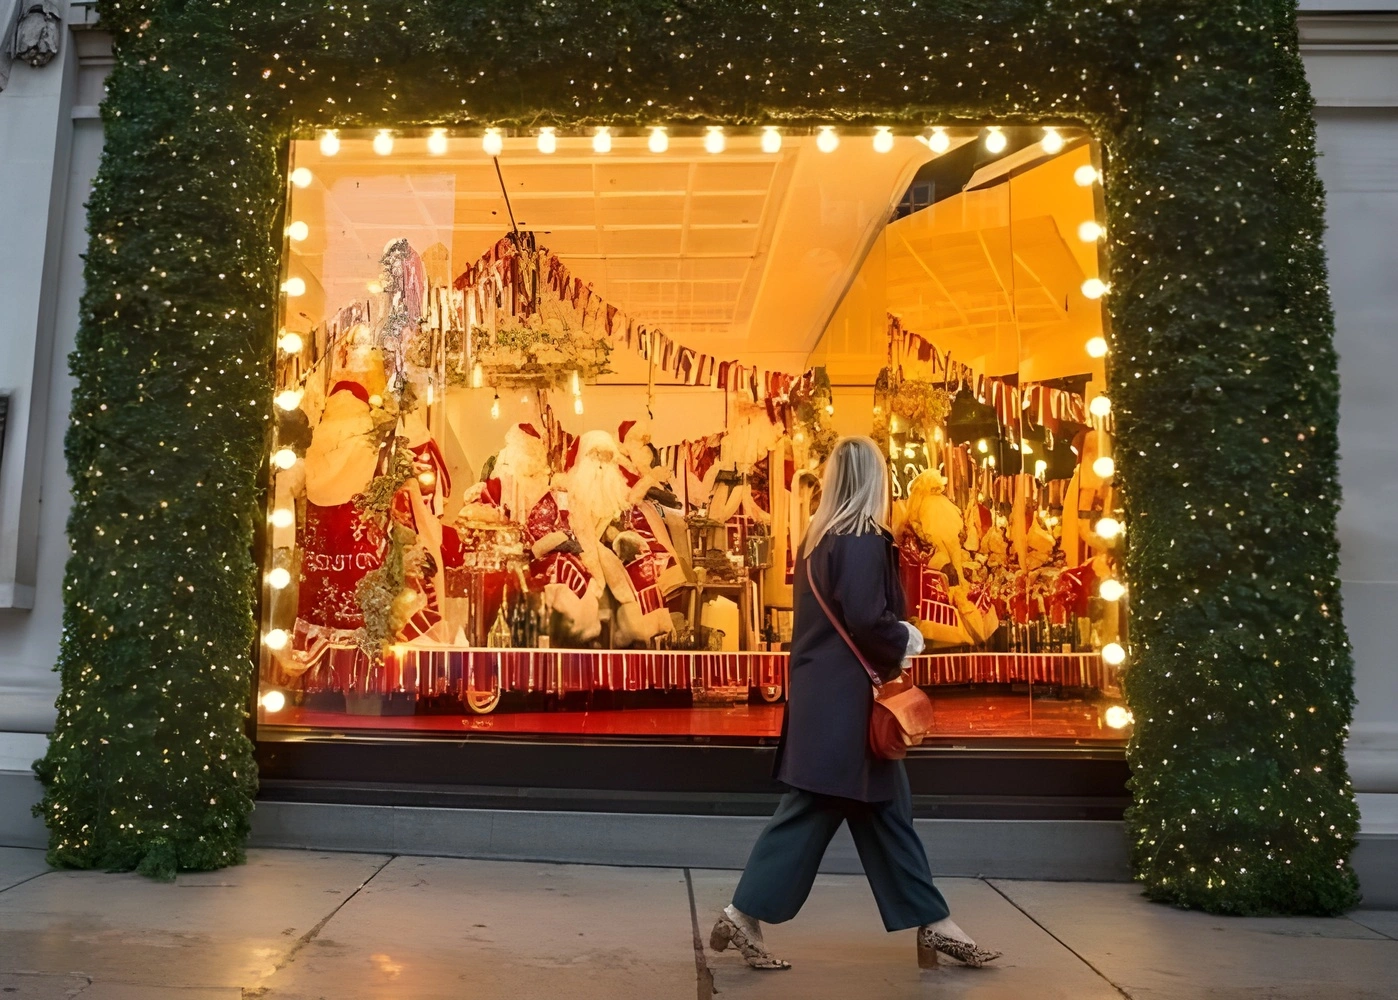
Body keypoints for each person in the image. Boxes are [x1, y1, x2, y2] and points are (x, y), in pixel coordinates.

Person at [709, 436, 1002, 971]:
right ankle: (744, 913)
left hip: (828, 701)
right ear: (874, 479)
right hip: (853, 706)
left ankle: (932, 923)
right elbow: (868, 620)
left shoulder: (818, 539)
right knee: (834, 810)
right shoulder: (864, 538)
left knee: (878, 809)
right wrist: (906, 637)